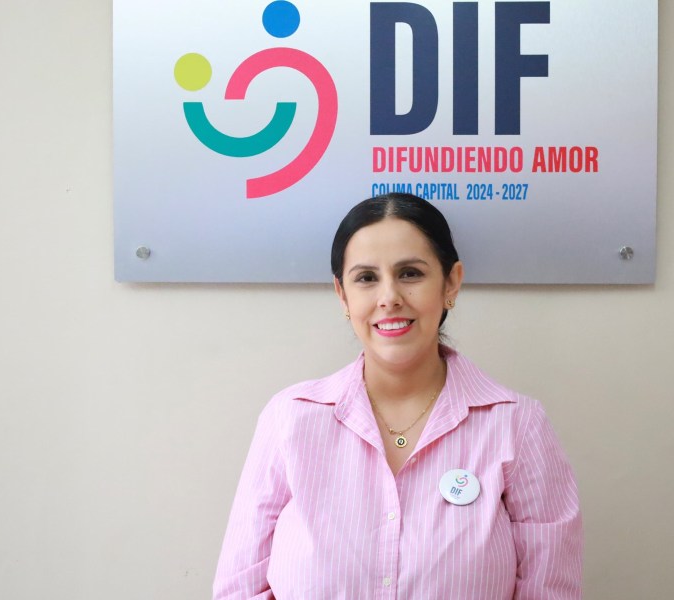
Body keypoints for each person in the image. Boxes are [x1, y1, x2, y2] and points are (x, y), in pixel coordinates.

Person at [213, 193, 582, 599]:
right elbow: (239, 590)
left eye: (410, 273)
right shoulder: (290, 420)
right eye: (366, 278)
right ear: (342, 294)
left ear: (451, 282)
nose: (389, 297)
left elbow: (550, 591)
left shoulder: (518, 425)